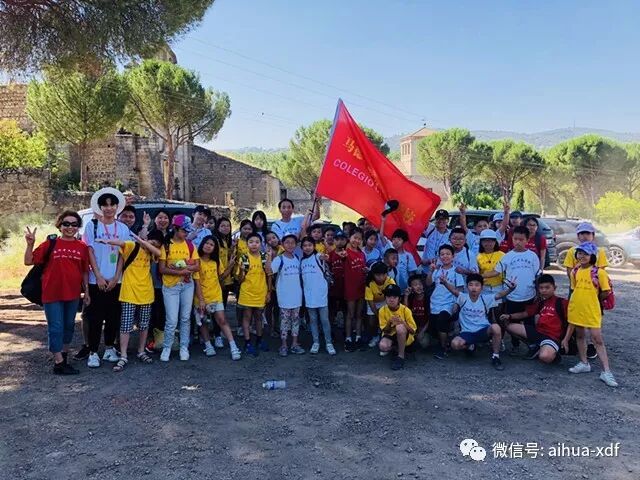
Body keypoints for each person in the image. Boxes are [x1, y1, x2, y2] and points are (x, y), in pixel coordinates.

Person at [24, 211, 90, 375]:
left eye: (74, 224)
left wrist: (87, 291)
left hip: (73, 294)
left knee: (68, 327)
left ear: (78, 227)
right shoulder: (50, 244)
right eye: (66, 224)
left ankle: (64, 356)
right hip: (52, 294)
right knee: (56, 327)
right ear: (59, 226)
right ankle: (59, 363)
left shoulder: (82, 247)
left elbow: (84, 271)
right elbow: (28, 261)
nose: (70, 227)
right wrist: (30, 244)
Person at [96, 232, 162, 372]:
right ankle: (124, 355)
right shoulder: (133, 246)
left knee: (144, 325)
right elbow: (121, 243)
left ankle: (141, 351)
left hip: (146, 293)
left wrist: (145, 243)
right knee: (126, 326)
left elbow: (159, 253)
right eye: (151, 242)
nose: (151, 245)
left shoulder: (152, 253)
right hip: (129, 292)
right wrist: (106, 241)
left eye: (155, 244)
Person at [82, 188, 130, 368]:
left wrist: (116, 276)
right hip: (97, 280)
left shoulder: (123, 228)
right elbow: (89, 251)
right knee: (95, 317)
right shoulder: (92, 226)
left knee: (113, 316)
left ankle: (110, 348)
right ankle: (93, 352)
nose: (109, 208)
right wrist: (99, 276)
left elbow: (123, 254)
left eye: (112, 205)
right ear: (100, 207)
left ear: (117, 207)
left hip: (116, 280)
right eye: (105, 205)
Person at [562, 242, 618, 387]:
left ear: (592, 256)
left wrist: (595, 300)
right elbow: (574, 288)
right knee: (580, 336)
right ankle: (584, 362)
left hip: (592, 310)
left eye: (585, 254)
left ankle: (606, 371)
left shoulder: (599, 272)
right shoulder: (575, 271)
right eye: (580, 253)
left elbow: (606, 291)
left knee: (597, 339)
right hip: (577, 308)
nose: (582, 256)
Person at [485, 225, 540, 355]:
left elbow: (537, 276)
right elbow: (496, 272)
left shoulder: (533, 256)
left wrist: (538, 293)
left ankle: (533, 345)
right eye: (515, 239)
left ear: (527, 240)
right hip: (512, 297)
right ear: (512, 239)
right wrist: (478, 276)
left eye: (521, 239)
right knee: (511, 323)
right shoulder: (507, 256)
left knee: (529, 323)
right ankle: (515, 345)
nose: (518, 242)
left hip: (529, 296)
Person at [158, 214, 200, 362]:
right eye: (184, 231)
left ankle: (184, 347)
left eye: (187, 231)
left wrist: (182, 267)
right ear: (175, 229)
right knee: (171, 319)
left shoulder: (190, 245)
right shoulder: (166, 245)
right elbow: (162, 269)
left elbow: (197, 265)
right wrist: (180, 271)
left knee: (185, 318)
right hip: (170, 287)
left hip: (187, 285)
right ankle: (167, 347)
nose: (186, 233)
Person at [193, 235, 241, 361]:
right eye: (207, 243)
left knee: (222, 320)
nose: (209, 246)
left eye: (212, 245)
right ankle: (208, 345)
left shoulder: (216, 261)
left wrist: (230, 265)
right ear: (202, 244)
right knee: (203, 322)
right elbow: (197, 282)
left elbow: (221, 277)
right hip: (200, 297)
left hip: (216, 295)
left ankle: (233, 347)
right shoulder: (196, 260)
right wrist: (201, 300)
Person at [503, 274, 567, 364]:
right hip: (538, 332)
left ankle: (552, 352)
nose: (544, 290)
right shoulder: (541, 303)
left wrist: (566, 339)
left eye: (547, 287)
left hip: (552, 336)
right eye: (541, 288)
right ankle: (534, 346)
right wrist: (509, 316)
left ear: (554, 287)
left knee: (545, 357)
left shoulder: (562, 302)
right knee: (508, 326)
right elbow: (525, 314)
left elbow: (572, 322)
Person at [426, 244, 465, 359]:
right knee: (434, 326)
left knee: (442, 320)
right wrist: (430, 272)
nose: (445, 256)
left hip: (449, 303)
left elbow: (460, 291)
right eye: (442, 254)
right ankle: (445, 341)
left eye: (448, 254)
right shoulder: (437, 270)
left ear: (453, 256)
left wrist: (456, 304)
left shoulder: (456, 271)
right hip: (435, 302)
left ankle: (443, 348)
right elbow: (428, 283)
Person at [237, 232, 272, 356]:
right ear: (247, 244)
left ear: (261, 244)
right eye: (251, 242)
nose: (254, 244)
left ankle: (259, 339)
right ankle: (247, 342)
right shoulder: (243, 258)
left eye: (257, 242)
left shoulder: (265, 257)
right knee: (247, 317)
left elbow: (269, 275)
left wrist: (269, 292)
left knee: (258, 317)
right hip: (247, 293)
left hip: (261, 292)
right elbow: (240, 280)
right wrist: (242, 271)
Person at [300, 236, 336, 355]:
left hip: (321, 295)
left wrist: (325, 255)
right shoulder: (302, 261)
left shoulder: (317, 256)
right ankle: (316, 342)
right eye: (305, 246)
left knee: (324, 320)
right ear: (302, 248)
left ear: (314, 246)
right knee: (313, 320)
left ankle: (329, 343)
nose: (307, 248)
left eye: (310, 245)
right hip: (309, 296)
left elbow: (324, 256)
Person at [271, 234, 305, 357]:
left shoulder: (297, 258)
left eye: (292, 243)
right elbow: (269, 271)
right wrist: (269, 257)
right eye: (287, 242)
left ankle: (294, 344)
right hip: (284, 296)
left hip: (296, 296)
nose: (290, 245)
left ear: (296, 245)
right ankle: (284, 345)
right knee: (284, 321)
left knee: (295, 321)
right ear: (282, 244)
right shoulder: (279, 259)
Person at [378, 284, 417, 370]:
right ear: (385, 298)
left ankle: (400, 357)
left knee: (400, 327)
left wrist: (403, 322)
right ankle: (396, 349)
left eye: (394, 297)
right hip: (391, 335)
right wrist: (389, 322)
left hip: (405, 337)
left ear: (399, 299)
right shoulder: (382, 310)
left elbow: (413, 331)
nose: (391, 299)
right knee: (383, 346)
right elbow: (385, 331)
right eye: (388, 296)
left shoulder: (405, 310)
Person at [342, 228, 367, 352]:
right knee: (350, 314)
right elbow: (341, 256)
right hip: (350, 288)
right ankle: (348, 338)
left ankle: (358, 337)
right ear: (349, 238)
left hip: (361, 287)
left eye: (359, 238)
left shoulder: (362, 254)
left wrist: (366, 270)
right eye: (354, 237)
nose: (356, 240)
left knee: (359, 314)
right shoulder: (346, 253)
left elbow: (363, 268)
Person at [213, 216, 235, 349]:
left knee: (221, 308)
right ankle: (216, 335)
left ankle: (218, 333)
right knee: (216, 309)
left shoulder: (226, 241)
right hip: (216, 279)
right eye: (223, 226)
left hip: (225, 279)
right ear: (218, 227)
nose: (226, 228)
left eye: (228, 226)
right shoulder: (215, 240)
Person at [364, 262, 396, 349]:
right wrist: (378, 315)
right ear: (373, 274)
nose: (381, 277)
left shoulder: (390, 281)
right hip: (373, 302)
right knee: (371, 322)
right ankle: (375, 336)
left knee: (388, 319)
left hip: (386, 301)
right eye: (378, 275)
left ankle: (387, 336)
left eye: (383, 274)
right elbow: (370, 302)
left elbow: (393, 298)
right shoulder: (369, 284)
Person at [380, 226, 417, 292]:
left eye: (399, 240)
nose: (396, 242)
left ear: (404, 242)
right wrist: (383, 221)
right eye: (394, 239)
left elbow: (411, 274)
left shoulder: (408, 256)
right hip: (389, 288)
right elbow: (381, 236)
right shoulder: (389, 252)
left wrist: (411, 287)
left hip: (404, 289)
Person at [328, 232, 348, 332]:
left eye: (342, 239)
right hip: (334, 288)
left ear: (346, 240)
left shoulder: (349, 254)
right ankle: (331, 332)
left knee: (345, 311)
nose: (340, 242)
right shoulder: (330, 255)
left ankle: (346, 332)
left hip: (346, 287)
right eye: (337, 239)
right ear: (334, 241)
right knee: (332, 311)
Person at [404, 275, 429, 348]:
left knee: (424, 343)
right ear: (410, 287)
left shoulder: (427, 297)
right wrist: (406, 296)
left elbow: (430, 318)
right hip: (413, 327)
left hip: (424, 327)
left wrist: (422, 331)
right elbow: (405, 312)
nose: (418, 286)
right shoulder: (410, 298)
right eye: (415, 285)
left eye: (420, 284)